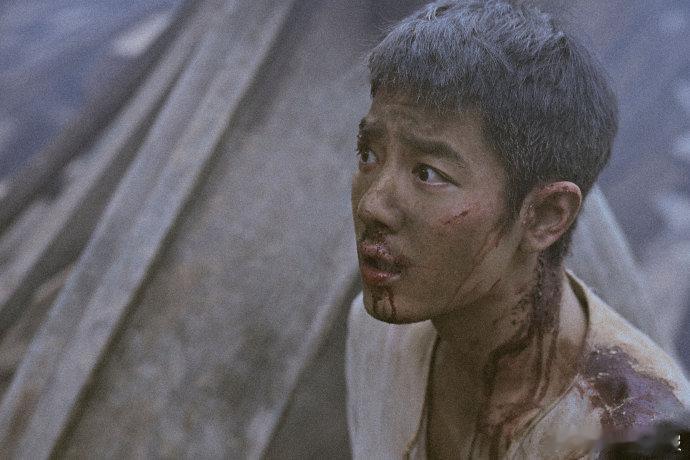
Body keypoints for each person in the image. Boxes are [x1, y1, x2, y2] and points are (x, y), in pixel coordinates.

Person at [345, 1, 690, 458]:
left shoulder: (641, 436)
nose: (371, 205)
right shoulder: (380, 333)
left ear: (546, 215)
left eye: (428, 173)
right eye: (369, 154)